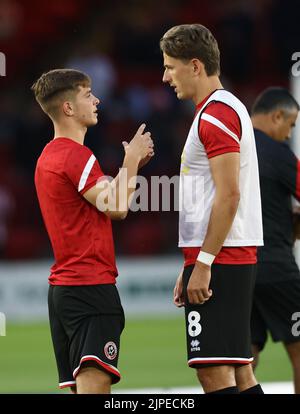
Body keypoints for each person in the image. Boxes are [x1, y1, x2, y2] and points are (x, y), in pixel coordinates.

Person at [32, 69, 154, 394]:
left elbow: (98, 200)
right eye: (88, 94)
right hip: (90, 287)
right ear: (69, 108)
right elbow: (116, 207)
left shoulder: (48, 157)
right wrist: (130, 160)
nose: (97, 100)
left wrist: (131, 169)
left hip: (62, 291)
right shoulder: (78, 156)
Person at [160, 23, 264, 394]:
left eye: (170, 66)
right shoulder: (222, 108)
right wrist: (192, 260)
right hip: (224, 252)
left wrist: (203, 262)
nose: (165, 76)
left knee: (213, 371)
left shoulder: (215, 115)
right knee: (238, 371)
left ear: (195, 65)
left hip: (224, 256)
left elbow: (229, 195)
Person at [250, 87, 300, 394]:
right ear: (277, 116)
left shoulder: (233, 146)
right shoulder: (278, 153)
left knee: (244, 356)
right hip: (277, 267)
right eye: (291, 125)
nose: (289, 133)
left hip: (238, 267)